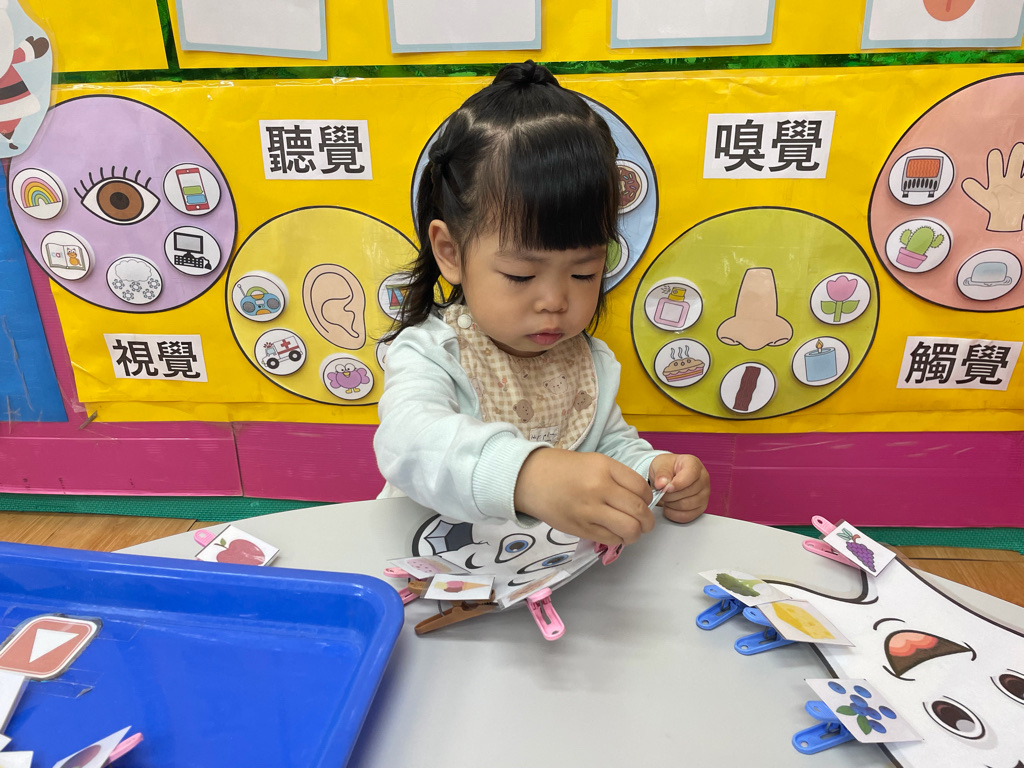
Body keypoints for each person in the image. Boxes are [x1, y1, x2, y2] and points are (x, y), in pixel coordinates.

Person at [375, 61, 709, 547]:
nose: (555, 301)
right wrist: (526, 475)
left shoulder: (588, 362)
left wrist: (653, 473)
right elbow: (409, 442)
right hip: (428, 564)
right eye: (521, 275)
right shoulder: (432, 352)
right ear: (450, 252)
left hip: (540, 574)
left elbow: (608, 446)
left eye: (584, 273)